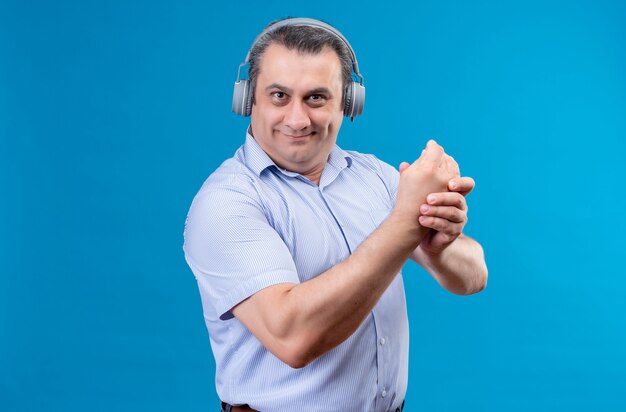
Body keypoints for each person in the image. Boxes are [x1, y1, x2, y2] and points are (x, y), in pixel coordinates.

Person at [183, 17, 488, 412]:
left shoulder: (374, 176)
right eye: (278, 96)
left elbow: (474, 276)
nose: (297, 119)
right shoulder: (226, 202)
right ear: (247, 100)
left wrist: (438, 244)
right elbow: (294, 337)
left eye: (316, 98)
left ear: (348, 104)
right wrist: (405, 223)